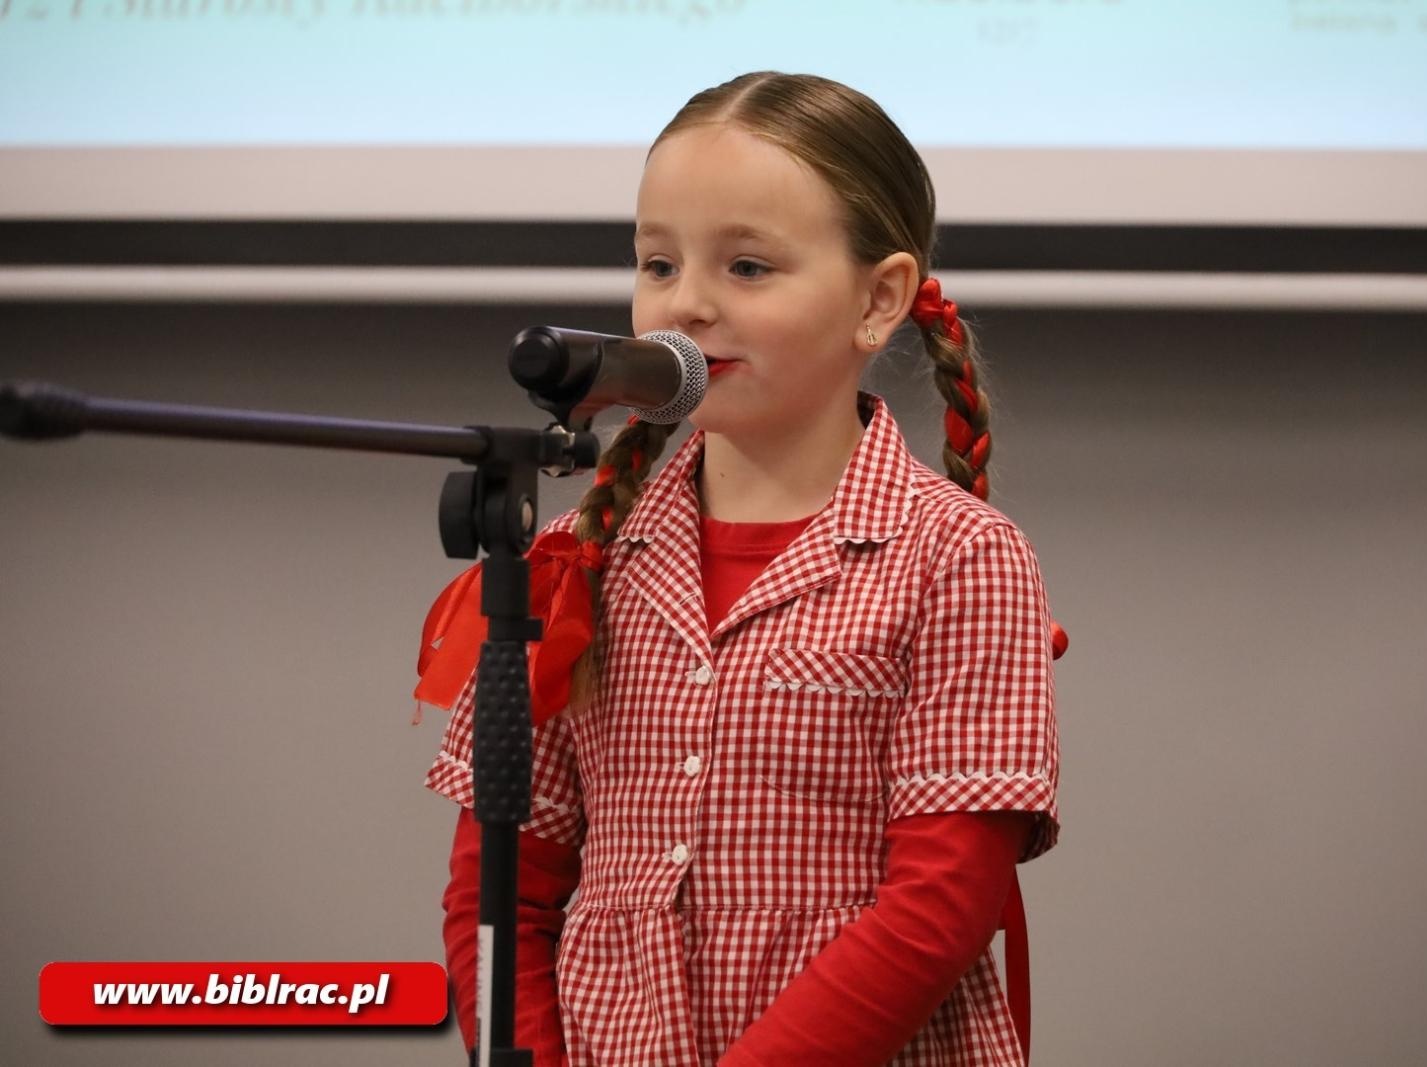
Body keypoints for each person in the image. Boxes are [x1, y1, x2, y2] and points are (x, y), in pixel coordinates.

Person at [416, 71, 1066, 1066]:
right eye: (658, 264)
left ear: (878, 298)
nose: (688, 306)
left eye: (749, 267)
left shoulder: (961, 555)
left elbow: (941, 903)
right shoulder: (583, 565)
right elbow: (498, 887)